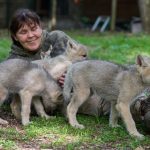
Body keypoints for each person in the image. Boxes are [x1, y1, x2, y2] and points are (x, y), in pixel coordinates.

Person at [7, 8, 150, 131]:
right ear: (15, 36)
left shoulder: (57, 38)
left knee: (115, 92)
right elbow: (13, 95)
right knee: (96, 103)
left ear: (40, 26)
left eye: (34, 29)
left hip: (82, 85)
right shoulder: (14, 62)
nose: (31, 35)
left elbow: (85, 61)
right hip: (55, 100)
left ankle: (143, 107)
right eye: (23, 32)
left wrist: (71, 73)